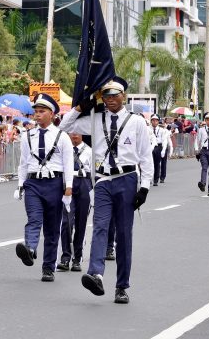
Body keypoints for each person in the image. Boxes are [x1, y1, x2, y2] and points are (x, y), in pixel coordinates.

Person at [59, 76, 153, 304]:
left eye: (115, 95)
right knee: (100, 227)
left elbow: (145, 155)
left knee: (123, 235)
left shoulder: (136, 121)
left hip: (127, 179)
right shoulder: (94, 119)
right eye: (107, 96)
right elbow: (63, 127)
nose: (111, 100)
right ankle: (96, 274)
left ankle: (122, 286)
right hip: (102, 181)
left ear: (124, 97)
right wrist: (81, 107)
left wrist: (144, 187)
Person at [15, 93, 74, 282]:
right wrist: (20, 184)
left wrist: (68, 187)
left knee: (51, 228)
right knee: (34, 218)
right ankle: (30, 248)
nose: (37, 115)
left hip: (54, 184)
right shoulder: (28, 136)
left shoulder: (62, 136)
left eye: (42, 112)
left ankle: (48, 267)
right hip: (33, 183)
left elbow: (68, 163)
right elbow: (23, 162)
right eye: (36, 112)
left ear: (52, 114)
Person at [57, 132, 92, 272]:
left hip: (84, 183)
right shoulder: (65, 151)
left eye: (77, 133)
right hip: (68, 185)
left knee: (81, 223)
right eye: (72, 133)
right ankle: (65, 258)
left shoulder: (89, 151)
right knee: (67, 222)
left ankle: (77, 258)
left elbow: (94, 172)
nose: (74, 136)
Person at [149, 114, 169, 186]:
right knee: (148, 163)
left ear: (158, 121)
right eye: (153, 120)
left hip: (158, 146)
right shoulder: (147, 129)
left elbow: (164, 140)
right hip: (149, 146)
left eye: (156, 120)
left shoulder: (162, 130)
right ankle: (148, 178)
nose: (154, 122)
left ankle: (156, 179)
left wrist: (163, 150)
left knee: (156, 164)